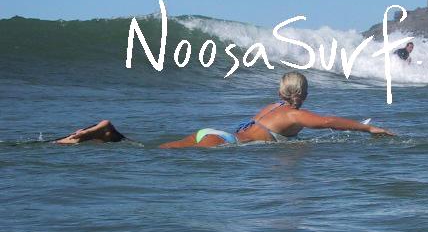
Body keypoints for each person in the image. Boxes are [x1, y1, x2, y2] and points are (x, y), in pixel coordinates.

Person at [54, 72, 393, 147]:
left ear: (280, 91)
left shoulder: (271, 106)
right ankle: (107, 132)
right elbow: (330, 121)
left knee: (152, 150)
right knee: (152, 154)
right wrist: (369, 128)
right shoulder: (295, 114)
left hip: (215, 133)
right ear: (304, 94)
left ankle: (107, 134)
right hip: (223, 144)